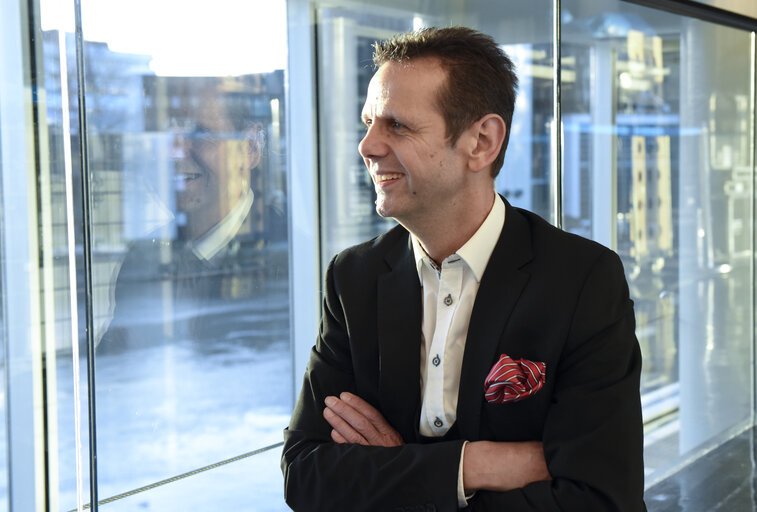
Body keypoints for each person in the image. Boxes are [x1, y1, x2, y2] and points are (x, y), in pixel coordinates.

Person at [281, 26, 646, 511]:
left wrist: (398, 467)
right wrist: (475, 466)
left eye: (398, 126)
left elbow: (601, 498)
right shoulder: (353, 278)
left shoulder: (583, 280)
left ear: (481, 141)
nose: (367, 146)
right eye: (368, 123)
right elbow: (306, 474)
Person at [101, 80, 287, 350]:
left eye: (200, 133)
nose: (176, 152)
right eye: (165, 135)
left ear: (250, 148)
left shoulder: (292, 260)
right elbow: (115, 367)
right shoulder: (142, 259)